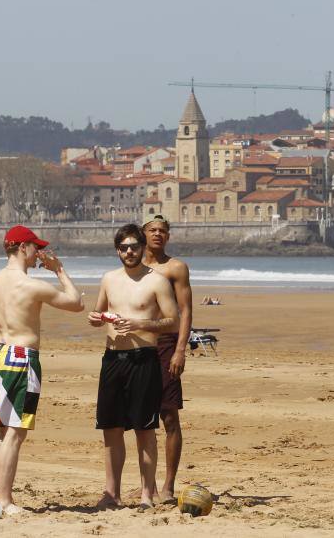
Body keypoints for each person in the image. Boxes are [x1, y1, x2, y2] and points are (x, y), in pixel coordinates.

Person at [0, 225, 83, 515]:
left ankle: (0, 496)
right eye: (35, 247)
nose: (39, 253)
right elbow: (76, 303)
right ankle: (4, 500)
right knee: (15, 432)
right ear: (22, 248)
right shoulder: (30, 284)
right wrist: (59, 270)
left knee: (2, 432)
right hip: (22, 356)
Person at [88, 224, 179, 511]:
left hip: (144, 359)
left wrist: (139, 323)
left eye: (134, 247)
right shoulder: (108, 279)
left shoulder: (157, 281)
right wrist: (97, 318)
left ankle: (145, 495)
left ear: (142, 249)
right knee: (111, 429)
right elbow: (101, 311)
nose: (129, 251)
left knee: (144, 429)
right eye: (124, 247)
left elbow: (173, 321)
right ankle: (111, 493)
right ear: (117, 250)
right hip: (114, 359)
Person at [141, 213, 192, 504]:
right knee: (141, 420)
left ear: (168, 236)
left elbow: (185, 311)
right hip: (137, 346)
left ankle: (169, 485)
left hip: (166, 345)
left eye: (163, 230)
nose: (158, 234)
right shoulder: (133, 266)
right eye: (153, 230)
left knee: (169, 416)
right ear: (144, 233)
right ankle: (147, 485)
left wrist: (180, 349)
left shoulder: (176, 268)